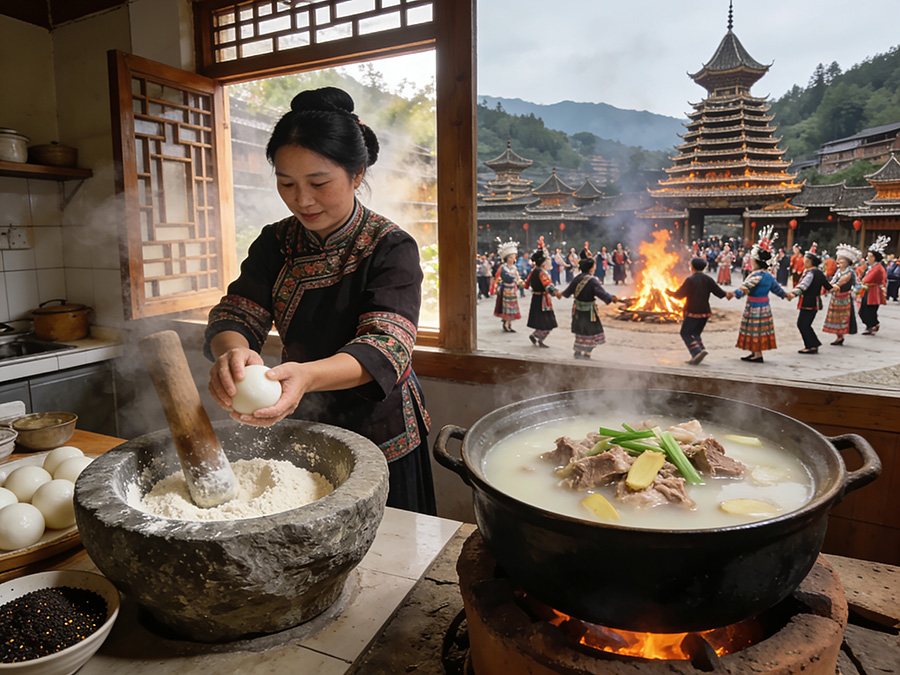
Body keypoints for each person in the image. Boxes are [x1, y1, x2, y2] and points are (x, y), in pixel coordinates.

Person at [204, 87, 435, 514]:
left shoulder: (390, 246)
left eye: (319, 182)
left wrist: (305, 377)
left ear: (357, 174)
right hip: (301, 419)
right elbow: (237, 313)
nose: (302, 199)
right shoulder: (275, 242)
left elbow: (387, 345)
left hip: (381, 428)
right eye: (286, 183)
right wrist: (234, 356)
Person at [732, 226, 788, 363]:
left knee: (755, 330)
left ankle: (757, 354)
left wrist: (736, 293)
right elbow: (777, 289)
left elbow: (747, 286)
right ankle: (755, 353)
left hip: (755, 307)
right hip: (764, 306)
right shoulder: (768, 276)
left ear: (756, 262)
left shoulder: (757, 276)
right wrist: (785, 295)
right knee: (757, 330)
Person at [667, 257, 728, 365]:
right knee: (696, 333)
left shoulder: (690, 280)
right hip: (705, 312)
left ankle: (696, 352)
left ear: (692, 267)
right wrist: (729, 294)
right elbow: (720, 294)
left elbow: (679, 296)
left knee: (685, 333)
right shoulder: (708, 279)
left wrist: (669, 293)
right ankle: (701, 350)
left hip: (692, 312)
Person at [562, 257, 621, 359]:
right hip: (589, 311)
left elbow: (566, 293)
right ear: (591, 268)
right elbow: (601, 293)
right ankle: (587, 353)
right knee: (591, 331)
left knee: (580, 330)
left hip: (577, 310)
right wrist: (611, 298)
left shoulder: (577, 279)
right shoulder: (592, 280)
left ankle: (578, 351)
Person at [785, 251, 832, 354]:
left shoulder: (811, 273)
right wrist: (835, 287)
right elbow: (828, 286)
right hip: (814, 302)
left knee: (802, 324)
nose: (804, 261)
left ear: (810, 261)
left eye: (806, 260)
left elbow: (803, 286)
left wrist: (793, 294)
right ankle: (813, 344)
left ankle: (811, 345)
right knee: (805, 324)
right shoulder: (818, 272)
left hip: (808, 302)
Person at [524, 244, 562, 348]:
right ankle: (538, 337)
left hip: (536, 298)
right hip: (543, 300)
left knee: (541, 321)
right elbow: (548, 286)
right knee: (548, 322)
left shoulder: (533, 271)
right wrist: (556, 293)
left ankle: (537, 336)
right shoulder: (541, 273)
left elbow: (526, 285)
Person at [823, 243, 861, 346]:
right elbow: (834, 282)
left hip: (845, 298)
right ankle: (839, 336)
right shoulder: (838, 272)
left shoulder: (851, 272)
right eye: (838, 259)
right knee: (836, 318)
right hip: (836, 297)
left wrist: (855, 292)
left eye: (841, 259)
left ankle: (840, 336)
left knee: (842, 318)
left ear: (847, 261)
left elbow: (857, 284)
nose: (838, 261)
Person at [858, 236, 890, 335]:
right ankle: (872, 325)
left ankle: (871, 325)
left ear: (874, 257)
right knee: (866, 310)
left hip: (873, 291)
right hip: (870, 290)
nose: (867, 258)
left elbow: (867, 279)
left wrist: (862, 280)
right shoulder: (874, 267)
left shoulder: (877, 268)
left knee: (868, 310)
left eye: (869, 256)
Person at [493, 239, 523, 332]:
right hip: (505, 289)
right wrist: (497, 285)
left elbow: (518, 278)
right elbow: (497, 278)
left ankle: (508, 323)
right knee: (506, 307)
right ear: (508, 258)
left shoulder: (514, 268)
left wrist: (521, 283)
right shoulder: (503, 267)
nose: (514, 258)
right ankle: (506, 323)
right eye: (512, 257)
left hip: (512, 290)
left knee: (511, 308)